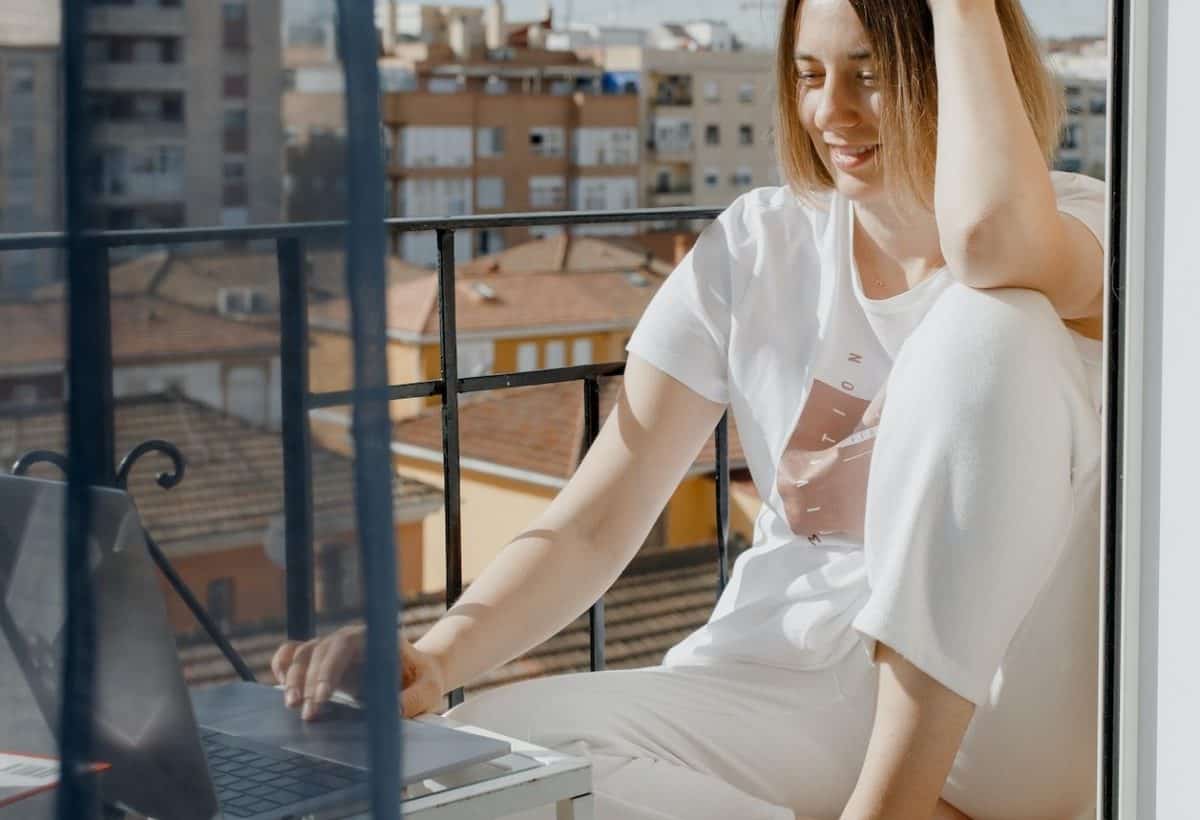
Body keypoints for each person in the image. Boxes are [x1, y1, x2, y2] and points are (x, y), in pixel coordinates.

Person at [272, 0, 1107, 817]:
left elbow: (994, 240)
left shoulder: (1083, 226)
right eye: (810, 74)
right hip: (781, 691)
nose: (831, 111)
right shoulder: (761, 242)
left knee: (993, 317)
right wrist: (431, 659)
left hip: (989, 718)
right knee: (476, 757)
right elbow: (602, 514)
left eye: (874, 75)